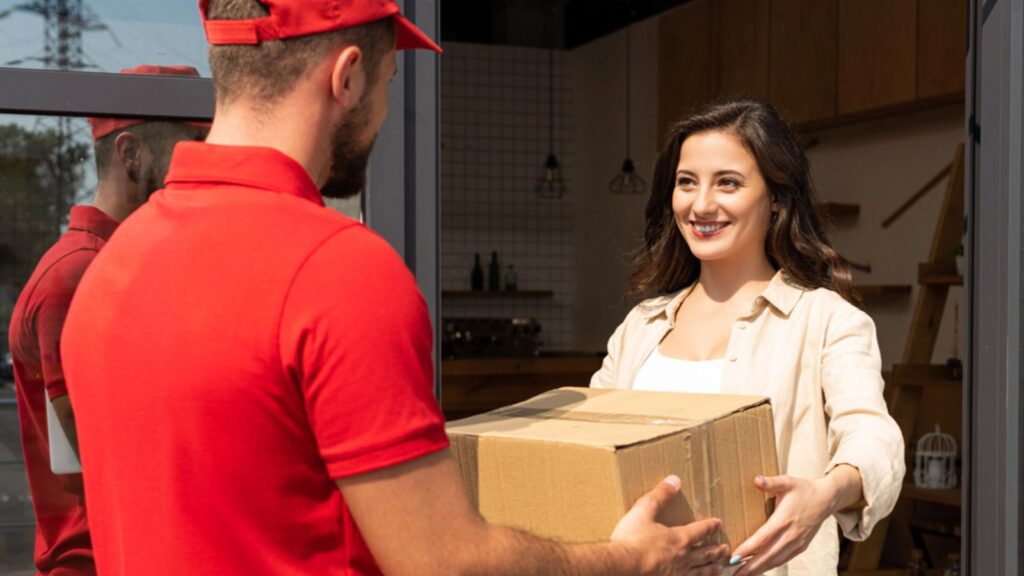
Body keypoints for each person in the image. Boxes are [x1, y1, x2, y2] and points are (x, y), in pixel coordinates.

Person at [59, 2, 730, 575]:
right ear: (346, 76)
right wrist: (631, 558)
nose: (384, 111)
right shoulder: (335, 269)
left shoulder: (116, 265)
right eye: (388, 80)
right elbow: (446, 562)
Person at [590, 98, 905, 576]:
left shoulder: (824, 321)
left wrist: (825, 494)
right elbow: (588, 447)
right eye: (686, 182)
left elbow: (874, 437)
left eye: (728, 183)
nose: (701, 205)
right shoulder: (640, 328)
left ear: (777, 196)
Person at [8, 64, 209, 576]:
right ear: (130, 154)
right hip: (98, 559)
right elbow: (92, 450)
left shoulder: (117, 260)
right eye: (188, 151)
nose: (201, 170)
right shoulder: (78, 272)